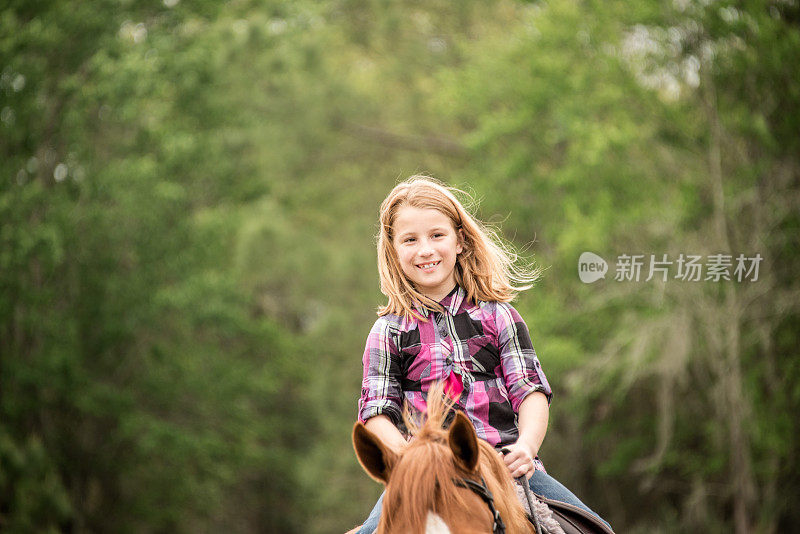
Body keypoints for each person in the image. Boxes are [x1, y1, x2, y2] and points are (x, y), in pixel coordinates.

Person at [355, 176, 607, 533]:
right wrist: (407, 460)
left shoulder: (497, 316)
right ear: (394, 251)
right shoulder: (388, 331)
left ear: (460, 241)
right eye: (410, 240)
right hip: (422, 472)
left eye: (437, 235)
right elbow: (377, 410)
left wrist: (527, 445)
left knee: (595, 527)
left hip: (504, 463)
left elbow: (530, 390)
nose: (425, 250)